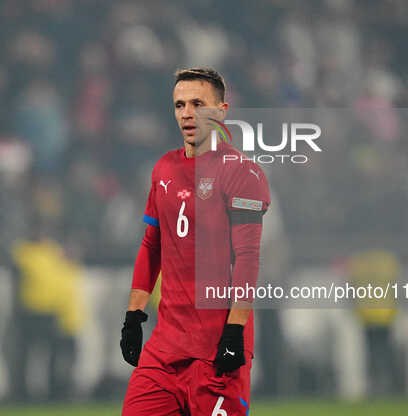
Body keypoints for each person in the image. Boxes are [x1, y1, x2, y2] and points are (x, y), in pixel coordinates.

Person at [120, 68, 270, 415]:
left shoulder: (242, 172)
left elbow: (248, 258)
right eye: (180, 105)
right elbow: (151, 246)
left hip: (217, 346)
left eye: (198, 104)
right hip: (166, 347)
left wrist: (234, 330)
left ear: (221, 110)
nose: (187, 113)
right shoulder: (163, 170)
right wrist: (133, 316)